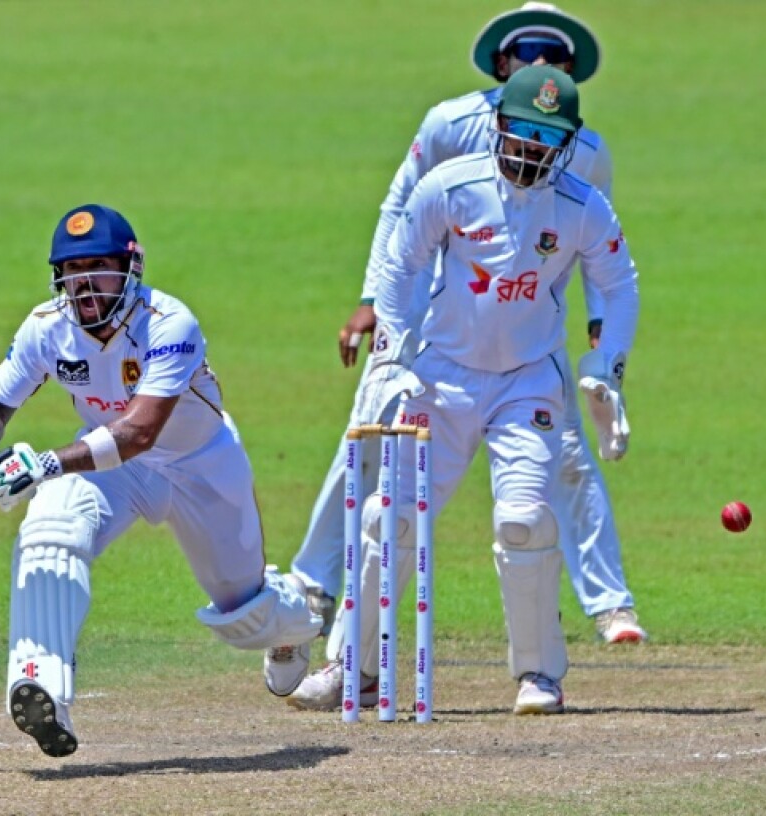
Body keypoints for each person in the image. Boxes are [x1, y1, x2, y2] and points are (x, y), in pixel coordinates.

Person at [287, 3, 644, 710]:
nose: (535, 151)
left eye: (551, 139)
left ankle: (538, 674)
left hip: (525, 383)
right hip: (441, 376)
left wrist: (605, 368)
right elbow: (400, 263)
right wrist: (392, 353)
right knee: (386, 519)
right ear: (499, 121)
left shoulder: (581, 203)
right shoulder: (452, 184)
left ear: (568, 140)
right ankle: (349, 667)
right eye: (524, 133)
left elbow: (619, 285)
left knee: (523, 519)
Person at [0, 204, 323, 756]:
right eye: (71, 270)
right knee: (50, 527)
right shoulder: (47, 328)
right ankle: (40, 680)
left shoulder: (169, 324)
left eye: (98, 266)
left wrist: (42, 465)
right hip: (109, 469)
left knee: (245, 620)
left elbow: (140, 431)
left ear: (130, 269)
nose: (84, 281)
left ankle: (291, 613)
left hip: (199, 465)